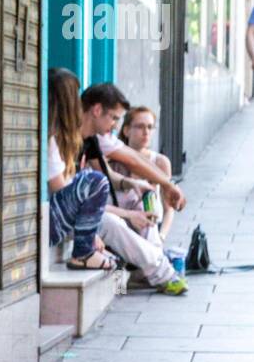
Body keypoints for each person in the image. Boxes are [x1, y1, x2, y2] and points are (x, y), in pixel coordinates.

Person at [80, 83, 187, 295]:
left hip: (91, 212)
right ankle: (161, 272)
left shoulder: (96, 139)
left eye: (150, 127)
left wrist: (158, 184)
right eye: (114, 118)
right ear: (97, 110)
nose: (115, 125)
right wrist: (130, 212)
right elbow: (74, 198)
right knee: (112, 222)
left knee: (139, 203)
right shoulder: (66, 139)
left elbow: (132, 160)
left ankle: (153, 270)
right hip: (78, 215)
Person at [47, 68, 114, 270]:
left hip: (58, 219)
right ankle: (83, 253)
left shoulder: (62, 140)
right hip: (49, 222)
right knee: (96, 181)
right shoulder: (49, 140)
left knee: (116, 262)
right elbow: (59, 189)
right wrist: (88, 234)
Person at [117, 105, 176, 242]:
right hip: (124, 224)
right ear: (126, 130)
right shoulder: (115, 160)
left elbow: (169, 209)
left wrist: (162, 236)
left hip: (152, 226)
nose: (146, 132)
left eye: (150, 127)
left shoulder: (160, 161)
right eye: (140, 126)